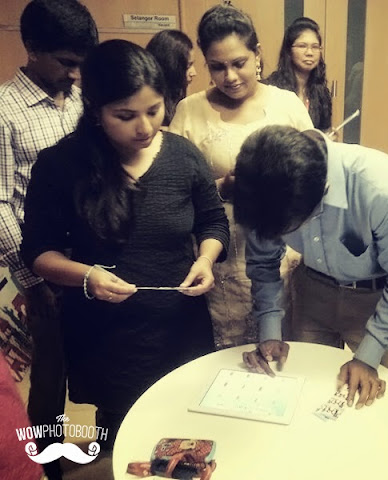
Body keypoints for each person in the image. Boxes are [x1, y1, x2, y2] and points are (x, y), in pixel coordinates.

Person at [21, 39, 230, 450]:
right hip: (107, 337)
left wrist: (206, 259)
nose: (145, 127)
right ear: (96, 111)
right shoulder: (61, 165)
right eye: (125, 116)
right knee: (126, 438)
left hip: (180, 328)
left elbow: (213, 221)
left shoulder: (183, 156)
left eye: (154, 110)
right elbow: (38, 253)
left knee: (187, 433)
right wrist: (87, 276)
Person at [236, 125, 388, 409]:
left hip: (377, 301)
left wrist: (368, 356)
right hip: (311, 292)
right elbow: (263, 262)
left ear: (324, 192)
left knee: (373, 403)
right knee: (306, 394)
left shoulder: (382, 189)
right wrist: (271, 331)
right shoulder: (261, 184)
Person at [169, 4, 313, 349]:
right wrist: (223, 187)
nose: (230, 77)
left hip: (283, 248)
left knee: (280, 343)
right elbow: (174, 190)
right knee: (228, 352)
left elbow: (314, 175)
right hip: (221, 253)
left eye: (239, 63)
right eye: (217, 67)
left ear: (257, 54)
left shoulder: (287, 104)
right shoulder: (190, 110)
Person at [0, 1, 97, 477]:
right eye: (66, 62)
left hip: (91, 264)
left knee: (95, 364)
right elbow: (0, 204)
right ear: (32, 48)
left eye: (81, 64)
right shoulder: (4, 111)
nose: (75, 75)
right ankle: (46, 467)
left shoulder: (79, 101)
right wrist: (35, 281)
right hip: (39, 273)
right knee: (48, 378)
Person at [265, 17, 332, 131]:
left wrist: (327, 136)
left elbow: (323, 129)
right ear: (289, 51)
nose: (309, 53)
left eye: (315, 47)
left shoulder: (322, 92)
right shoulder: (272, 88)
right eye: (302, 46)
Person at [146, 29, 197, 125]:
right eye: (187, 66)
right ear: (171, 65)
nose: (194, 73)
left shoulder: (177, 96)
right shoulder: (150, 102)